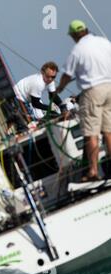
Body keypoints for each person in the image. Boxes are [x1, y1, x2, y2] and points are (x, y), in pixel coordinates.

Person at [57, 20, 111, 181]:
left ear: (74, 35)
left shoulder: (78, 50)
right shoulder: (103, 42)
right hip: (110, 87)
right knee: (108, 130)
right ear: (86, 30)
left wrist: (59, 88)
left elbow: (67, 74)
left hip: (93, 91)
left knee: (91, 133)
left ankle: (93, 171)